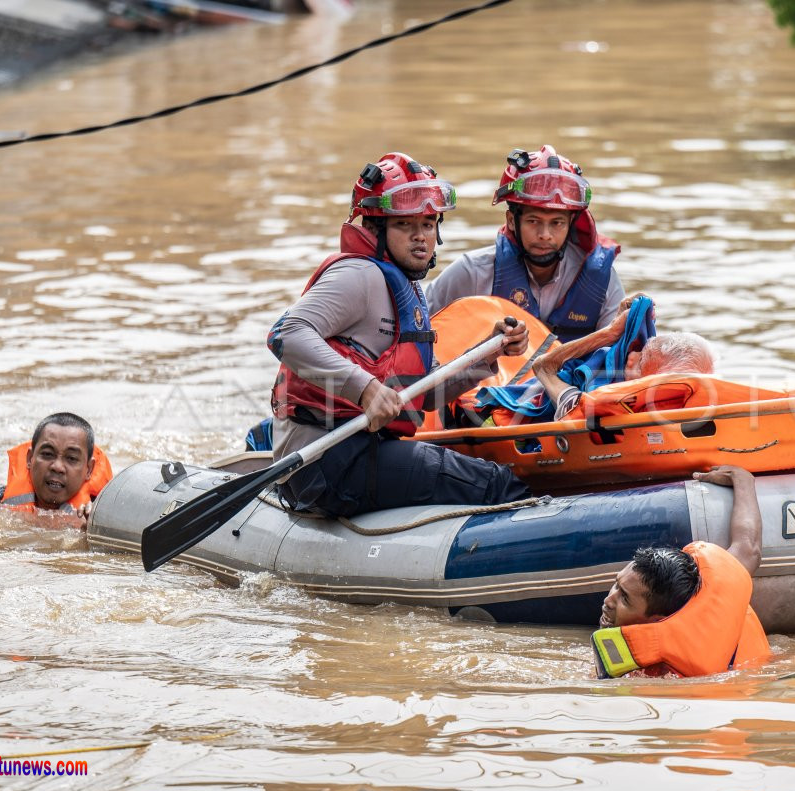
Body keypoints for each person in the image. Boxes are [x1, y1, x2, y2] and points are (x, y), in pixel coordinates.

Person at [266, 152, 531, 518]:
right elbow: (286, 334)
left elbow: (426, 394)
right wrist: (366, 388)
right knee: (498, 485)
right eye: (406, 225)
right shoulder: (358, 276)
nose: (421, 237)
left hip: (358, 451)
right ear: (374, 229)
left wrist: (489, 352)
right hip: (327, 460)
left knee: (489, 475)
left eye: (428, 224)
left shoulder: (407, 289)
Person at [425, 145, 625, 342]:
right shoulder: (472, 273)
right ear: (512, 220)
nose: (545, 235)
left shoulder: (603, 281)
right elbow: (420, 328)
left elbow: (618, 357)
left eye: (557, 223)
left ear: (570, 223)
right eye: (533, 221)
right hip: (492, 373)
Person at [592, 465, 772, 679]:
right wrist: (742, 478)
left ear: (658, 619)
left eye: (625, 599)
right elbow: (748, 548)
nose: (609, 600)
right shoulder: (720, 590)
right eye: (617, 585)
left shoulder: (678, 675)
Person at [533, 300, 716, 421]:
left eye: (641, 359)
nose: (631, 357)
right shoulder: (705, 402)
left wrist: (610, 332)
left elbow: (542, 365)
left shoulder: (606, 405)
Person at [0, 412, 113, 524]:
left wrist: (94, 536)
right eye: (48, 454)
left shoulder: (103, 516)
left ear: (89, 469)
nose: (57, 467)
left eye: (71, 458)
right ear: (29, 458)